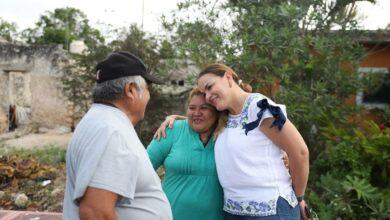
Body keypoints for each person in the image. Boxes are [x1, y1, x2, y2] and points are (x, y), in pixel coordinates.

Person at [156, 64, 310, 219]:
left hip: (270, 212)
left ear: (228, 77)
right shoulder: (226, 116)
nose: (208, 96)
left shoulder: (259, 107)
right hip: (233, 213)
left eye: (209, 87)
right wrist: (175, 119)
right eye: (204, 92)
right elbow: (203, 119)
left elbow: (300, 152)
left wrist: (299, 198)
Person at [63, 51, 172, 220]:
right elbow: (95, 213)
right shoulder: (111, 131)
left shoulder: (99, 120)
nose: (148, 96)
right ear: (130, 90)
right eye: (147, 89)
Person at [147, 88, 224, 220]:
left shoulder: (227, 135)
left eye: (204, 108)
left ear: (217, 111)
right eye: (192, 108)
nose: (196, 113)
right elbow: (141, 170)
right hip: (170, 216)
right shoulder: (171, 130)